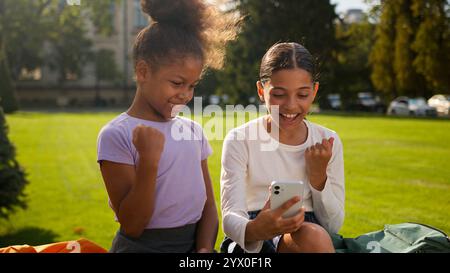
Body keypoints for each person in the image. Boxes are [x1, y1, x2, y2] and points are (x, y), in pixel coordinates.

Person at [96, 0, 237, 253]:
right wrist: (149, 162)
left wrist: (205, 249)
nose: (185, 94)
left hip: (193, 247)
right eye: (176, 82)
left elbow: (208, 206)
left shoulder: (193, 132)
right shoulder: (117, 134)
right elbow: (133, 225)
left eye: (192, 86)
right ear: (143, 72)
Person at [220, 42, 345, 253]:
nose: (290, 105)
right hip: (252, 236)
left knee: (312, 235)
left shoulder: (327, 141)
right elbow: (231, 217)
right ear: (261, 90)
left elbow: (333, 225)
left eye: (302, 95)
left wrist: (318, 179)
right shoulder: (240, 139)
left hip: (310, 236)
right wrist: (257, 229)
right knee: (312, 237)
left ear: (314, 92)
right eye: (279, 94)